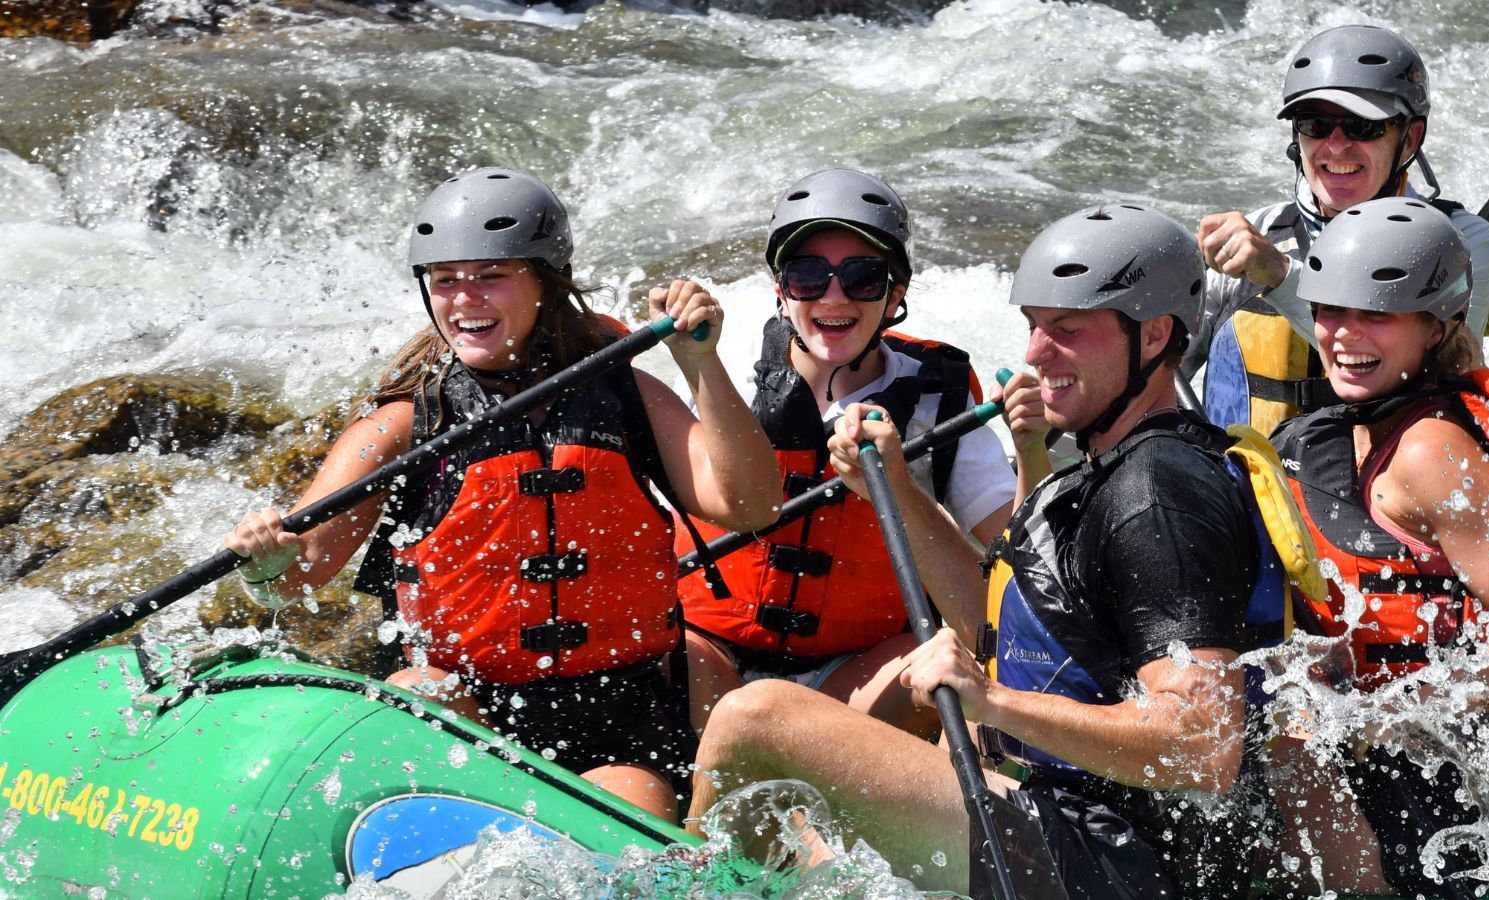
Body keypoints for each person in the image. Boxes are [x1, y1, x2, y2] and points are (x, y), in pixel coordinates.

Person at [687, 205, 1273, 898]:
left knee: (756, 722)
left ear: (1154, 336)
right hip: (1064, 822)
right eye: (1033, 326)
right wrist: (897, 492)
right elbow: (997, 626)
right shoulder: (1107, 463)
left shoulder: (1159, 494)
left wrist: (992, 701)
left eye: (1067, 331)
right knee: (802, 831)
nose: (1034, 354)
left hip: (1114, 861)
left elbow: (1202, 744)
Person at [223, 167, 783, 821]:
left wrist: (700, 363)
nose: (464, 300)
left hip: (617, 710)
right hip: (473, 709)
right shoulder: (407, 422)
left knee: (629, 836)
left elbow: (751, 505)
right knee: (414, 694)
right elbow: (299, 571)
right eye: (445, 280)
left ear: (546, 280)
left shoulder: (624, 394)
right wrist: (264, 564)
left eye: (490, 276)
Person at [1268, 196, 1489, 898]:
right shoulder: (1328, 431)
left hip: (1434, 783)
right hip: (1368, 758)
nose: (1343, 335)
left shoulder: (1431, 451)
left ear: (1434, 327)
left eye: (1375, 315)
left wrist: (1393, 718)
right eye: (1329, 310)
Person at [674, 168, 1015, 738]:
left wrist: (1029, 447)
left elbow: (1014, 560)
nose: (834, 296)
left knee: (970, 657)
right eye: (809, 276)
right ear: (781, 292)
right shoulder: (719, 377)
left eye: (862, 277)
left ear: (895, 294)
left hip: (858, 673)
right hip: (712, 653)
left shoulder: (939, 401)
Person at [1192, 22, 1489, 435]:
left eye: (1362, 127)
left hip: (1377, 491)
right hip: (1236, 490)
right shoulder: (1257, 234)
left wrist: (1279, 276)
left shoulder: (1462, 243)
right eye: (1314, 123)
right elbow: (1157, 372)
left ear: (1409, 140)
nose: (1335, 145)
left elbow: (1440, 385)